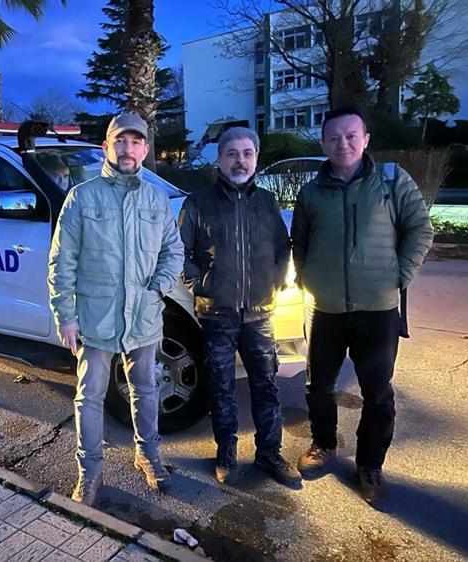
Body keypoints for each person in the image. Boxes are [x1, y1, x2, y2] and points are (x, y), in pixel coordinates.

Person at [292, 107, 433, 506]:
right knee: (318, 386)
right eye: (334, 137)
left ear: (365, 139)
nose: (344, 144)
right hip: (326, 309)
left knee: (377, 393)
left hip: (378, 309)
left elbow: (420, 228)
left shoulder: (391, 180)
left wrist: (400, 274)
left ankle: (370, 465)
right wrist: (307, 278)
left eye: (351, 135)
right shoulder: (311, 193)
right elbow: (300, 242)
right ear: (324, 143)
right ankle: (323, 444)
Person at [47, 112, 184, 505]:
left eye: (136, 141)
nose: (128, 149)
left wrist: (158, 289)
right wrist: (65, 316)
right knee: (89, 397)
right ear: (106, 147)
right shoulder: (82, 197)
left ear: (145, 149)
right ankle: (89, 472)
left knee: (146, 389)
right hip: (96, 318)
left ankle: (149, 455)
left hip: (143, 316)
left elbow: (173, 250)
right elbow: (62, 260)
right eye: (120, 141)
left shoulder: (156, 198)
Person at [178, 126, 301, 488]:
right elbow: (179, 252)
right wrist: (201, 284)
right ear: (219, 159)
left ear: (256, 159)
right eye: (232, 153)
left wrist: (275, 281)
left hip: (260, 313)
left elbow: (282, 247)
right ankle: (226, 453)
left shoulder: (266, 202)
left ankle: (269, 453)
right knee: (221, 387)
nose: (240, 161)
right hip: (217, 314)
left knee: (266, 386)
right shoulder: (198, 204)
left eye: (247, 153)